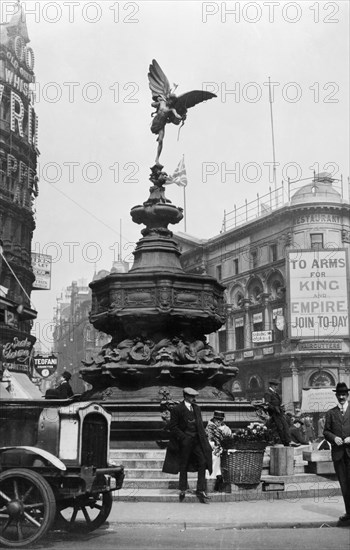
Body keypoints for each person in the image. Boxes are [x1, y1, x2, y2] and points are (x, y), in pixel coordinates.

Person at [162, 387, 212, 503]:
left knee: (203, 462)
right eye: (191, 397)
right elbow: (173, 426)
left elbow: (199, 425)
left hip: (197, 441)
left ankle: (201, 489)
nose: (193, 399)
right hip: (184, 442)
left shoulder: (197, 408)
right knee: (183, 464)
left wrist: (203, 436)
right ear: (185, 396)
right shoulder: (177, 409)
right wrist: (183, 437)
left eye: (194, 397)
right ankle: (183, 488)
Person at [324, 382, 350, 525]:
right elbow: (326, 431)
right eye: (339, 395)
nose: (341, 397)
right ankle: (349, 513)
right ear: (336, 396)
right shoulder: (331, 413)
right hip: (339, 454)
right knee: (344, 485)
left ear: (347, 395)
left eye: (343, 394)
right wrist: (334, 438)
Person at [205, 410, 232, 491]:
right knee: (213, 460)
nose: (219, 421)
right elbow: (208, 441)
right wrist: (216, 447)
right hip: (212, 450)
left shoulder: (226, 429)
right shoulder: (209, 428)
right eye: (217, 419)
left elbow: (230, 439)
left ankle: (220, 485)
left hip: (222, 451)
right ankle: (211, 484)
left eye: (221, 419)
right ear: (214, 419)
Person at [264, 379, 291, 446]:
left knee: (285, 425)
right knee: (280, 427)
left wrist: (280, 407)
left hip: (279, 412)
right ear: (272, 385)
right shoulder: (268, 393)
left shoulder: (275, 393)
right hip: (274, 413)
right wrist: (275, 409)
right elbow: (267, 404)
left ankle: (287, 441)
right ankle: (285, 441)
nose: (277, 386)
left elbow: (276, 403)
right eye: (276, 385)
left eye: (277, 385)